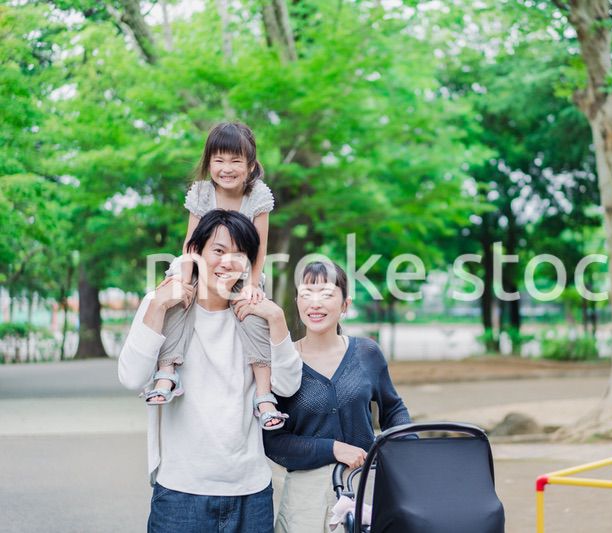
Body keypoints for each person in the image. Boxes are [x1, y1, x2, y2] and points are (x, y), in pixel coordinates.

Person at [118, 210, 302, 532]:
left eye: (239, 254)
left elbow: (287, 386)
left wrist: (276, 319)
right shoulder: (161, 303)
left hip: (251, 492)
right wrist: (158, 305)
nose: (227, 262)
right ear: (195, 252)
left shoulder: (256, 313)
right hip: (179, 492)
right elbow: (131, 377)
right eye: (218, 250)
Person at [145, 122, 287, 430]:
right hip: (198, 263)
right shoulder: (201, 192)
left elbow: (260, 248)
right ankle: (167, 371)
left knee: (253, 314)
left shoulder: (258, 196)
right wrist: (185, 279)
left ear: (251, 165)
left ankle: (264, 395)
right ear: (208, 162)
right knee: (177, 302)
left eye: (236, 161)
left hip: (241, 270)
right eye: (219, 160)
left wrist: (251, 285)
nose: (227, 168)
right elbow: (190, 241)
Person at [263, 261, 412, 533]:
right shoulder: (283, 363)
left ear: (345, 304)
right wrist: (333, 449)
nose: (315, 303)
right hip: (305, 502)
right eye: (306, 294)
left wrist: (407, 450)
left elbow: (393, 409)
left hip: (364, 488)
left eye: (327, 294)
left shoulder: (367, 353)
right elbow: (274, 442)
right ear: (297, 302)